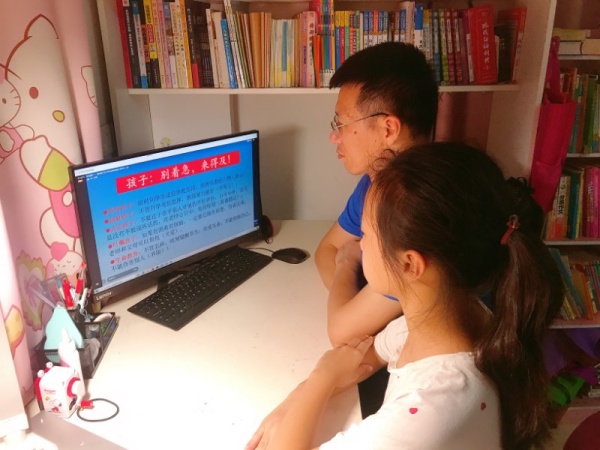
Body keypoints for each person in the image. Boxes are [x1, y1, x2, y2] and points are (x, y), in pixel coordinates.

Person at [246, 142, 564, 450]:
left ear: (410, 264)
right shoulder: (447, 317)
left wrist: (321, 377)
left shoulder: (431, 412)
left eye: (366, 235)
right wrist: (296, 402)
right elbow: (363, 356)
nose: (359, 244)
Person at [315, 41, 439, 418]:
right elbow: (325, 249)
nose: (334, 137)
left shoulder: (418, 210)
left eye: (341, 123)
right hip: (386, 352)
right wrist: (355, 306)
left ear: (388, 128)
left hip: (422, 388)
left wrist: (348, 266)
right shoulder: (377, 180)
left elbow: (341, 331)